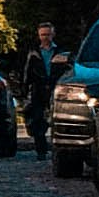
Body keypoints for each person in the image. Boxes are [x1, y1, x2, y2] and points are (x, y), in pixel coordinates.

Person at [16, 22, 59, 155]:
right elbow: (27, 73)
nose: (45, 37)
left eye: (48, 34)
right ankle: (41, 150)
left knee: (56, 120)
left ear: (53, 35)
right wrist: (24, 91)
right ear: (39, 36)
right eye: (42, 35)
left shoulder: (60, 51)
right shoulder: (33, 53)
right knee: (37, 121)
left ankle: (57, 149)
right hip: (38, 90)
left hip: (56, 88)